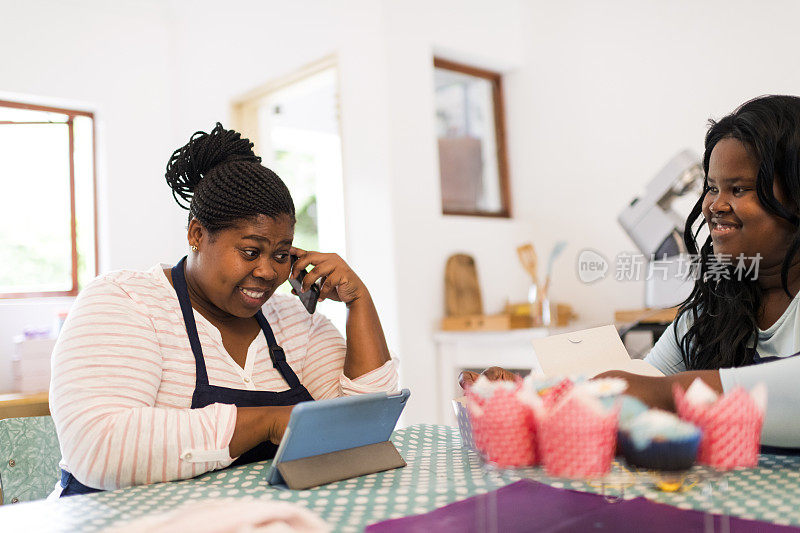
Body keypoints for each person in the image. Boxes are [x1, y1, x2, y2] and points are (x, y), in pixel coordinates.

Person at [50, 123, 398, 497]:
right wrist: (268, 422)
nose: (268, 272)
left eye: (281, 255)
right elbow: (99, 448)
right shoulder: (126, 301)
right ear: (197, 235)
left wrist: (359, 302)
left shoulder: (295, 321)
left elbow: (363, 430)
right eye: (250, 251)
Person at [461, 95, 800, 448]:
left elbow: (654, 391)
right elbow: (635, 387)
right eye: (712, 187)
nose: (714, 205)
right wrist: (533, 395)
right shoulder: (712, 310)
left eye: (739, 189)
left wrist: (664, 395)